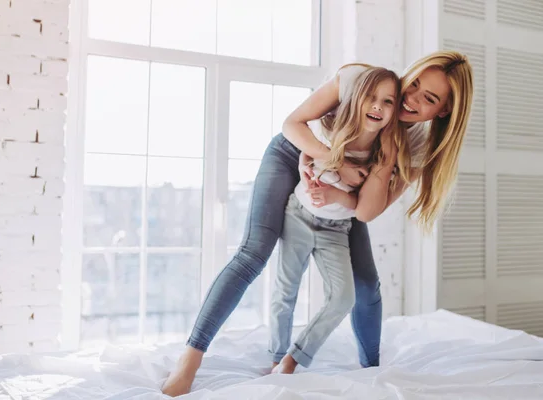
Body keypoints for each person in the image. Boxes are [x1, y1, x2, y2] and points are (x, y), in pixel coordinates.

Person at [162, 51, 473, 396]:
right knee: (254, 252)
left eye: (428, 98)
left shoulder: (415, 147)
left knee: (366, 285)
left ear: (443, 110)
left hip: (343, 198)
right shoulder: (362, 81)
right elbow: (292, 123)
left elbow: (366, 212)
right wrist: (335, 163)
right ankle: (190, 358)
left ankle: (371, 367)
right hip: (293, 152)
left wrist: (381, 156)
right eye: (413, 83)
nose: (410, 98)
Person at [270, 67, 406, 374]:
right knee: (286, 290)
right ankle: (276, 358)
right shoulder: (329, 126)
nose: (378, 107)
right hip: (299, 216)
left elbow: (362, 206)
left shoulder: (384, 151)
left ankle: (294, 358)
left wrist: (334, 195)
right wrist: (312, 165)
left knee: (344, 297)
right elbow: (304, 152)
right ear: (356, 97)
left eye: (388, 102)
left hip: (337, 229)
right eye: (371, 98)